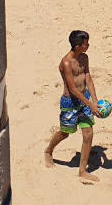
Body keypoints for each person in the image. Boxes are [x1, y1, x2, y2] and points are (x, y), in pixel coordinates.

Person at [43, 30, 104, 183]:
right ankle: (48, 151)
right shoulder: (65, 63)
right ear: (77, 46)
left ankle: (82, 171)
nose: (88, 46)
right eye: (85, 44)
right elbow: (73, 89)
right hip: (70, 103)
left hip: (85, 101)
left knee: (88, 134)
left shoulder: (84, 58)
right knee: (65, 133)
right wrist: (90, 104)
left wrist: (95, 101)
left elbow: (88, 78)